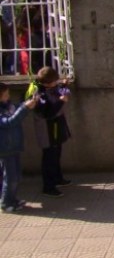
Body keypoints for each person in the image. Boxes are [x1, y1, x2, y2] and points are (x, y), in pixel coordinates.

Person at [32, 66, 72, 197]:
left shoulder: (52, 88)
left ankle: (57, 178)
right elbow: (49, 112)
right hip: (48, 129)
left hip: (56, 126)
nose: (57, 83)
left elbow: (62, 92)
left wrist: (65, 86)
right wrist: (61, 102)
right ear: (48, 83)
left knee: (57, 152)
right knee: (50, 157)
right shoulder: (40, 94)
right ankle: (48, 186)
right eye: (55, 81)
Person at [0, 83, 38, 212]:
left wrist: (27, 103)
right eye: (6, 95)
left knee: (16, 175)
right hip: (4, 149)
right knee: (10, 177)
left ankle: (12, 198)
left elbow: (17, 108)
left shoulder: (9, 105)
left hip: (14, 145)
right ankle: (5, 202)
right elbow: (10, 122)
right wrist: (25, 109)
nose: (8, 96)